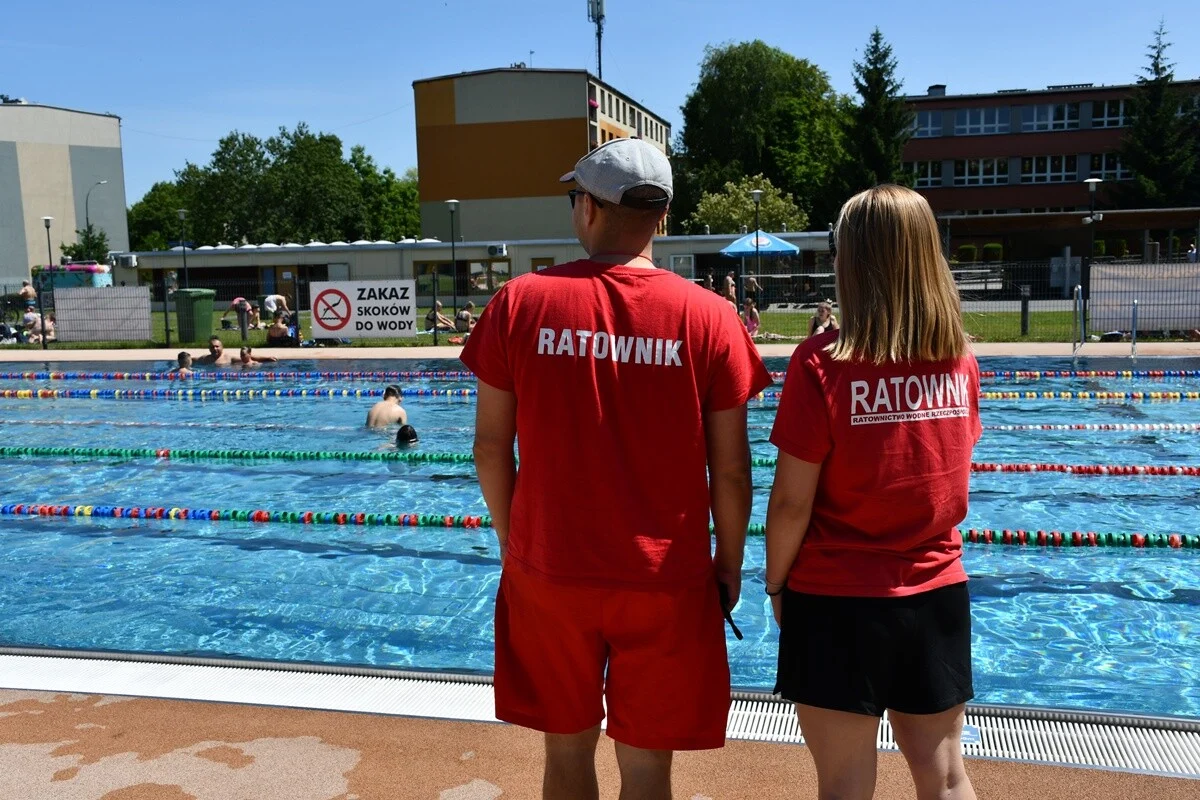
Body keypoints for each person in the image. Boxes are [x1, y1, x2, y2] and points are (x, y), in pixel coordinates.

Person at [461, 137, 771, 799]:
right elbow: (734, 472)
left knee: (566, 759)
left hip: (552, 573)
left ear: (591, 212)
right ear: (661, 218)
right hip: (666, 579)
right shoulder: (713, 319)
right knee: (648, 769)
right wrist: (729, 564)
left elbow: (490, 448)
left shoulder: (519, 304)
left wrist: (515, 541)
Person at [765, 184, 980, 800]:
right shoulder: (959, 361)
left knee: (845, 787)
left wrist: (777, 584)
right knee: (945, 779)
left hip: (836, 600)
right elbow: (945, 473)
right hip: (937, 593)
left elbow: (790, 503)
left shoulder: (820, 364)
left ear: (851, 260)